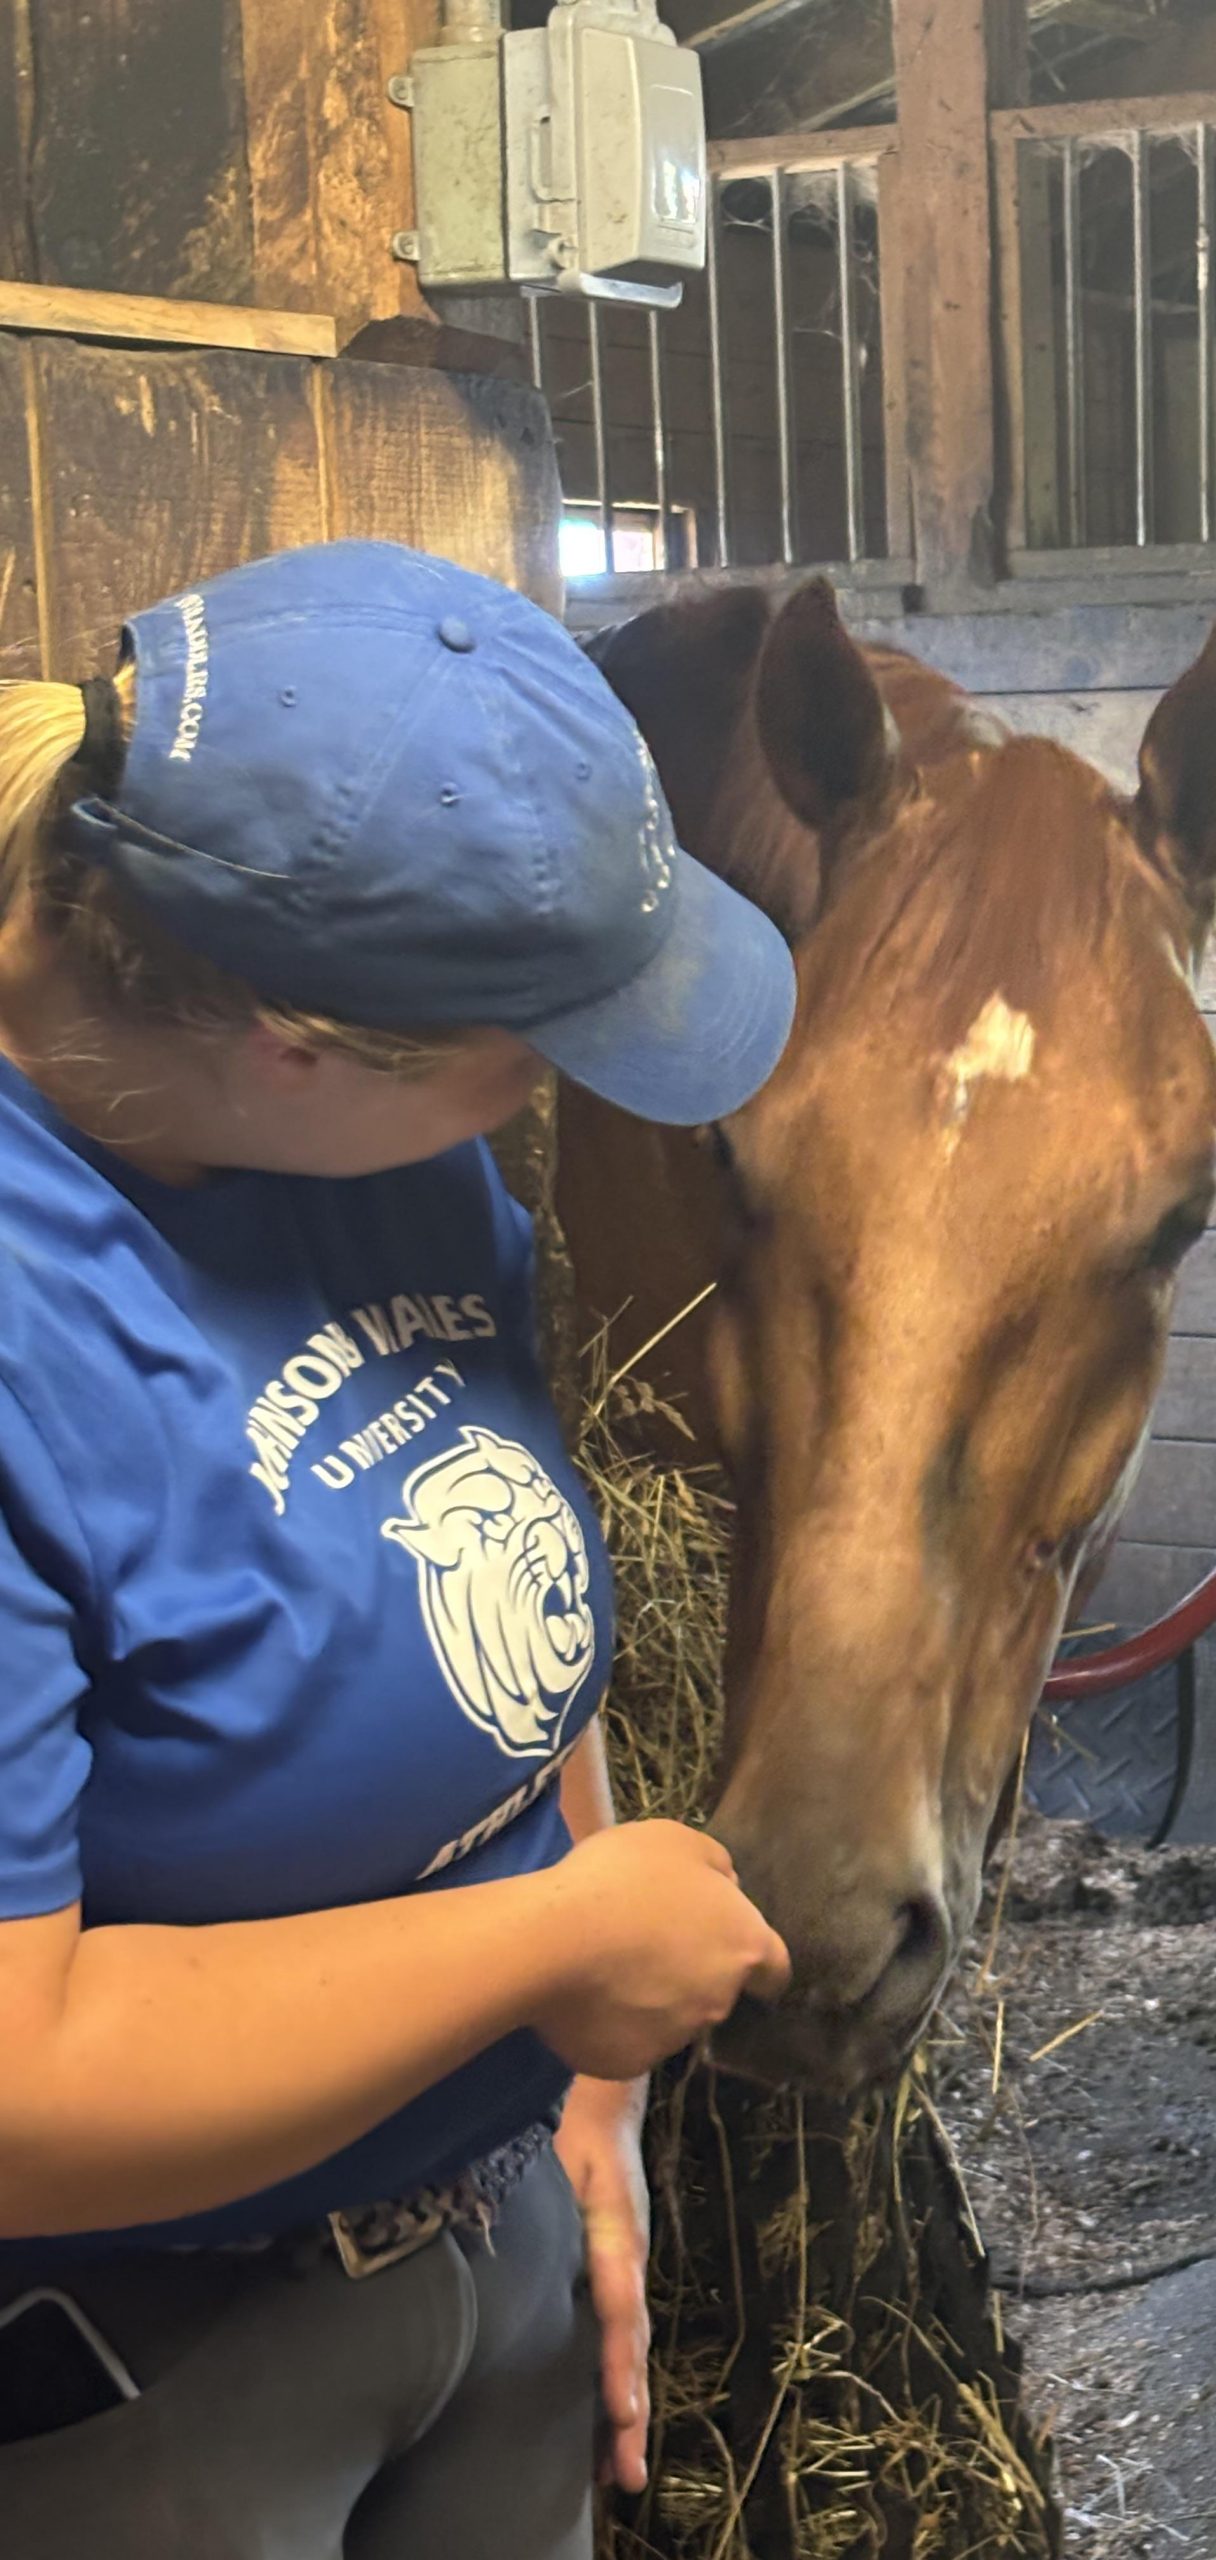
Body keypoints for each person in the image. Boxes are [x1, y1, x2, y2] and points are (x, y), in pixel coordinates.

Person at [0, 539, 796, 2558]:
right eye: (531, 1041)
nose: (559, 1090)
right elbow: (19, 2090)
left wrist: (586, 2104)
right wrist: (557, 1949)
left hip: (487, 2246)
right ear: (299, 1040)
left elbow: (491, 1550)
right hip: (156, 2374)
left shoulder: (402, 1163)